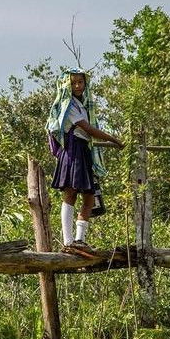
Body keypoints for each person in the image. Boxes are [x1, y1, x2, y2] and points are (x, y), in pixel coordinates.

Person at [46, 69, 123, 254]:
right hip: (73, 149)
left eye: (81, 82)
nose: (78, 86)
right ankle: (68, 240)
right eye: (74, 83)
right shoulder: (69, 105)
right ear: (67, 86)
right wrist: (113, 139)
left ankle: (80, 239)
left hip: (83, 149)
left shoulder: (83, 105)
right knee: (70, 193)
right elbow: (87, 129)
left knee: (89, 195)